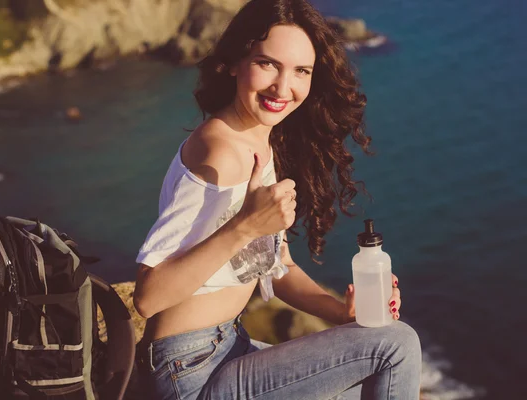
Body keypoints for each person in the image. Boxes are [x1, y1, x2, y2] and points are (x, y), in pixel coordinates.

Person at [133, 0, 422, 398]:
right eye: (268, 63)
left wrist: (340, 313)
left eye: (300, 71)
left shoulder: (258, 140)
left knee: (361, 385)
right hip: (189, 373)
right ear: (235, 62)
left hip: (230, 348)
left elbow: (278, 266)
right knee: (398, 344)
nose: (283, 88)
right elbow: (148, 297)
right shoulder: (220, 152)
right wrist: (245, 226)